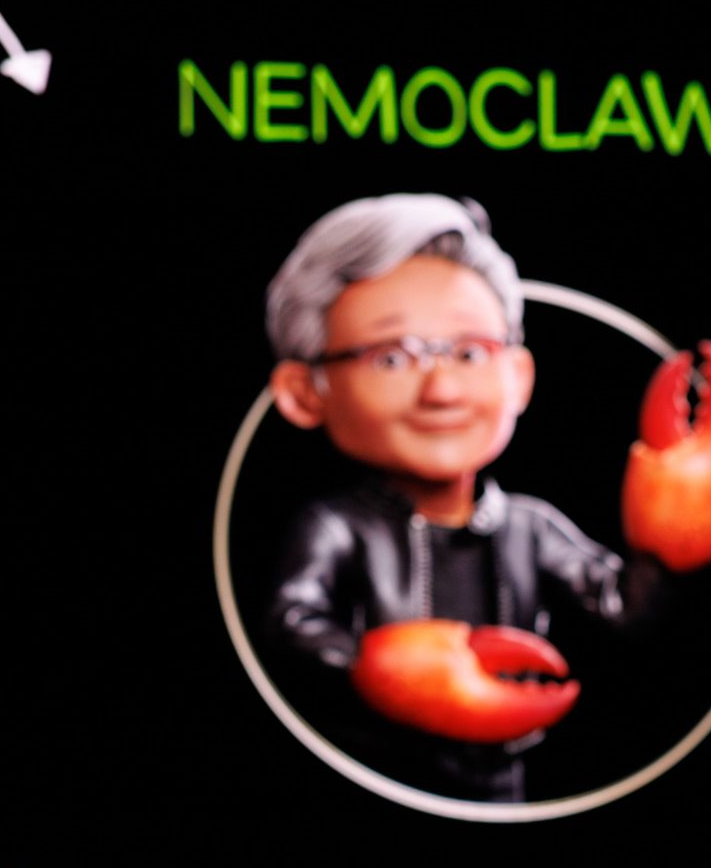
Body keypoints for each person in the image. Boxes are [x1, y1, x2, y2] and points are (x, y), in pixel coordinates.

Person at [260, 193, 631, 802]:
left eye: (469, 353)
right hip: (369, 779)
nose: (442, 390)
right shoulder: (336, 526)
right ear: (304, 391)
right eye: (391, 358)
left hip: (505, 787)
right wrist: (375, 667)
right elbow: (294, 622)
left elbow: (622, 604)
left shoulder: (531, 527)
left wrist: (677, 537)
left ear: (519, 376)